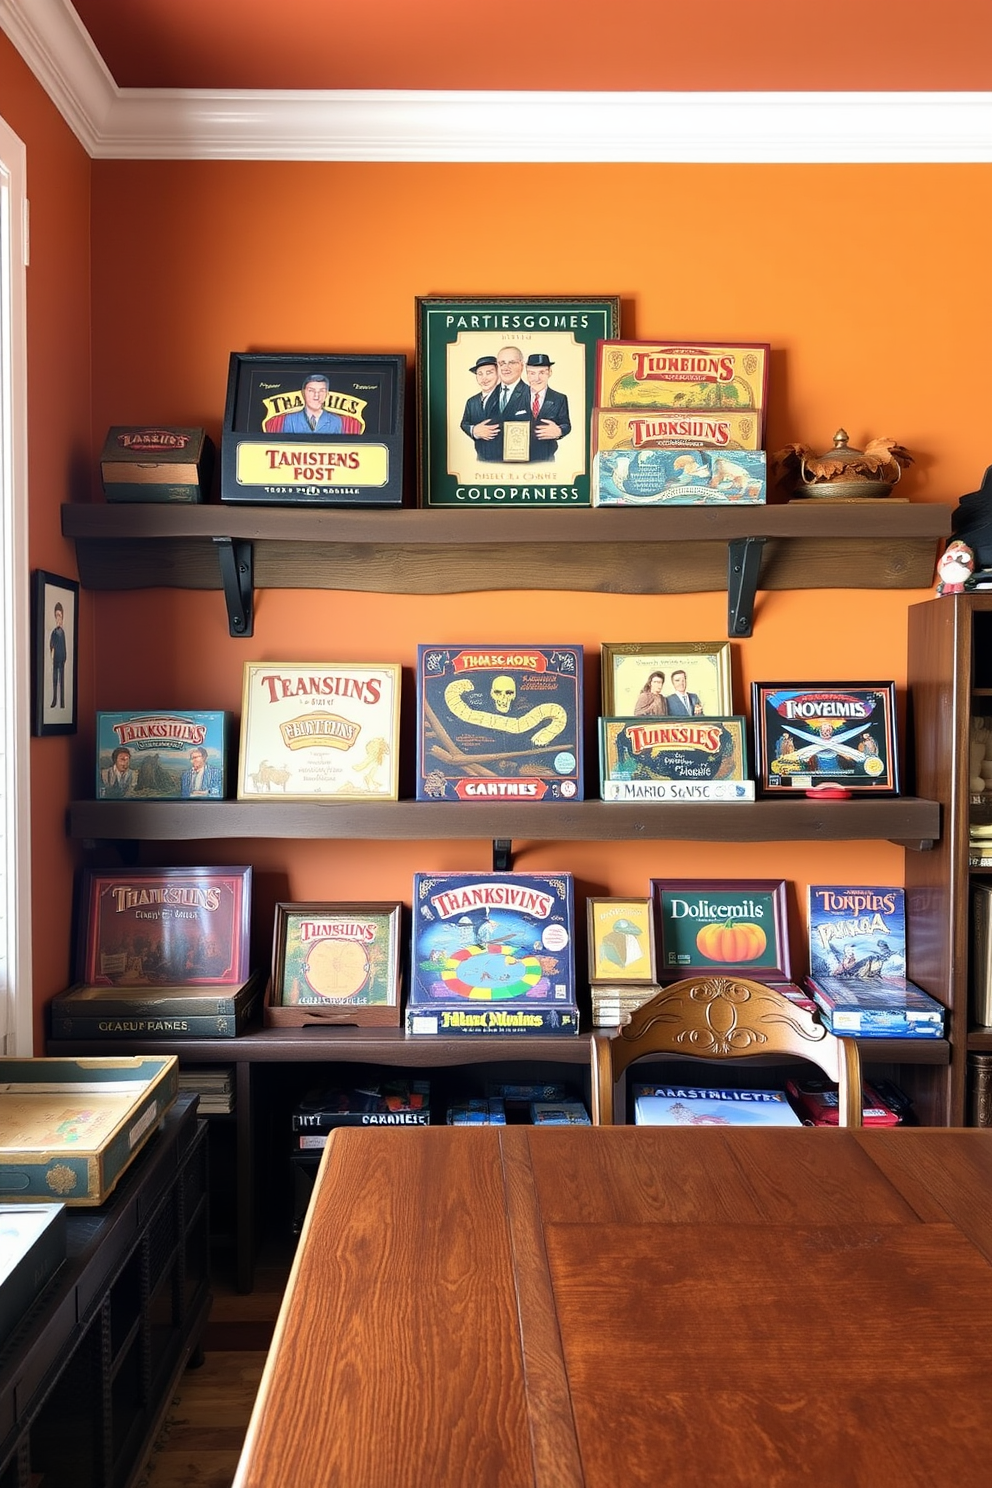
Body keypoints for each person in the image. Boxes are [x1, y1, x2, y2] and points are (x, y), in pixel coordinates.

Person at [524, 353, 571, 462]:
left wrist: (559, 431)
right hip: (516, 458)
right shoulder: (515, 397)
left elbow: (566, 424)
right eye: (532, 373)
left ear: (550, 372)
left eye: (542, 372)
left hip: (546, 458)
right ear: (527, 374)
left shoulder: (559, 398)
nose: (537, 378)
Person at [460, 354, 502, 460]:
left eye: (489, 373)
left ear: (499, 374)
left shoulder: (506, 397)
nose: (484, 378)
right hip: (481, 457)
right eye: (480, 374)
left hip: (504, 459)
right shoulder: (471, 401)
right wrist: (473, 430)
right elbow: (464, 423)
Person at [279, 372, 343, 434]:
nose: (316, 396)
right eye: (311, 390)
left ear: (327, 394)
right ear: (303, 393)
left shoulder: (335, 421)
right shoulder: (291, 420)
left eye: (321, 391)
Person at [49, 601, 66, 709]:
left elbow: (64, 646)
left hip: (62, 660)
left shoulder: (62, 633)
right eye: (56, 616)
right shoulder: (54, 632)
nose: (58, 618)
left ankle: (62, 702)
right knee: (55, 680)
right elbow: (51, 645)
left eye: (59, 615)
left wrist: (65, 657)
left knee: (62, 681)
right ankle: (54, 700)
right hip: (55, 660)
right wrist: (52, 656)